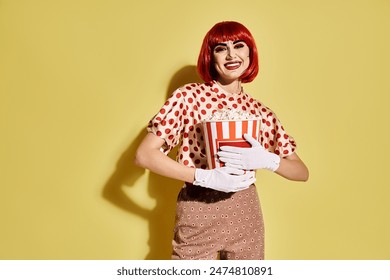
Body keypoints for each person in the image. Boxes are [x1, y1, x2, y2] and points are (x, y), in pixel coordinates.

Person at [134, 21, 309, 260]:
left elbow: (301, 172)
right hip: (198, 208)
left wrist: (268, 160)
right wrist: (202, 176)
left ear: (250, 53)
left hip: (246, 211)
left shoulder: (261, 113)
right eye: (220, 48)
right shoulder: (189, 97)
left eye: (239, 45)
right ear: (210, 56)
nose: (231, 54)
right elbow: (145, 155)